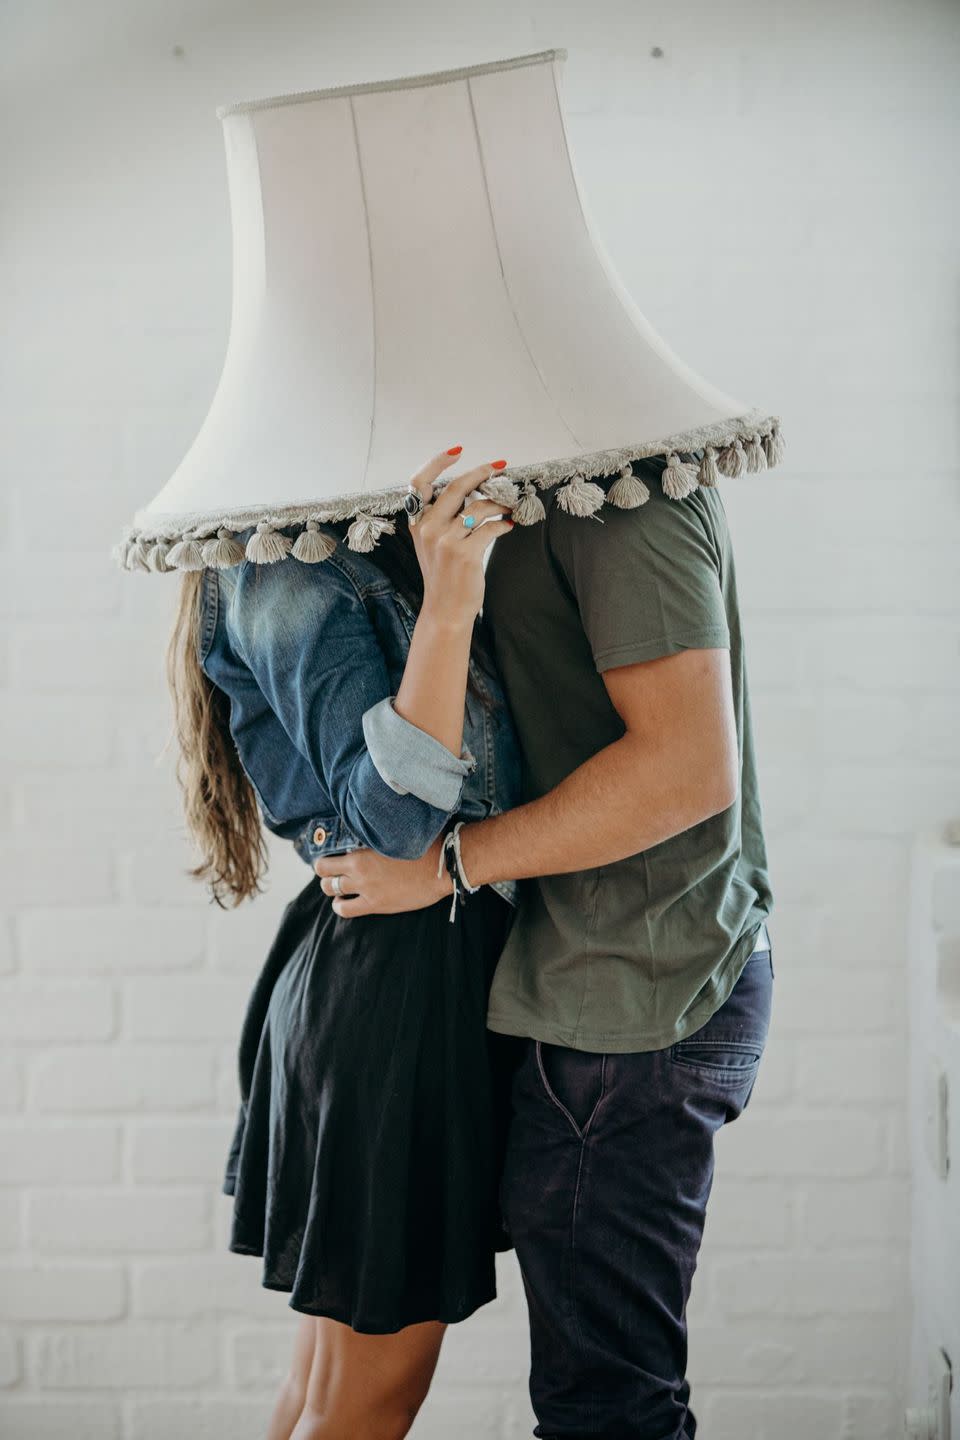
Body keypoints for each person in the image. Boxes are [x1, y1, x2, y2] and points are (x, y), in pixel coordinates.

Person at [314, 451, 775, 1440]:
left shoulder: (621, 489)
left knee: (605, 1410)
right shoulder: (536, 477)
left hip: (630, 1000)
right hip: (595, 983)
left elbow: (688, 766)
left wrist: (447, 866)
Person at [164, 448, 524, 1440]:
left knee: (325, 1394)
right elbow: (396, 827)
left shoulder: (316, 545)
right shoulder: (288, 565)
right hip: (396, 998)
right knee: (369, 1403)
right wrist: (452, 604)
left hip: (373, 978)